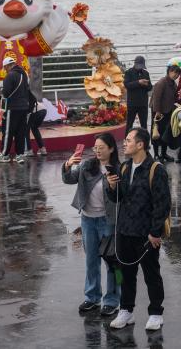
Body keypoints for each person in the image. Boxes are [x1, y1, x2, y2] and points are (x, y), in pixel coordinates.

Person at [106, 128, 171, 332]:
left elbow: (163, 204)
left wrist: (155, 232)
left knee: (151, 274)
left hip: (146, 233)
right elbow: (119, 199)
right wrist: (111, 187)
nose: (124, 144)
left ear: (140, 144)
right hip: (125, 230)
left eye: (128, 140)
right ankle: (126, 310)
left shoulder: (155, 169)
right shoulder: (125, 167)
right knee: (124, 273)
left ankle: (155, 313)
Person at [62, 133, 121, 317]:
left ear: (111, 148)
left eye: (101, 148)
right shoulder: (88, 165)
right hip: (88, 219)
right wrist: (67, 165)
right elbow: (69, 179)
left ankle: (113, 300)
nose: (97, 151)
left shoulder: (119, 169)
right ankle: (92, 297)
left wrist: (114, 186)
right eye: (95, 148)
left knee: (113, 262)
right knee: (91, 260)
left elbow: (123, 195)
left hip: (108, 221)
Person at [0, 56, 37, 163]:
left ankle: (5, 155)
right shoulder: (24, 74)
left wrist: (3, 109)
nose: (5, 70)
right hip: (24, 108)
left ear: (8, 65)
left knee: (8, 132)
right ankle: (19, 155)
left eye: (5, 68)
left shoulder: (10, 75)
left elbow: (6, 94)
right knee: (20, 132)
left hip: (12, 108)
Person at [149, 65, 180, 162]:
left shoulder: (173, 83)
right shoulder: (161, 82)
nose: (176, 75)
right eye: (174, 72)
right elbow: (156, 99)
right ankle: (157, 155)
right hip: (158, 112)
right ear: (169, 72)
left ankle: (164, 153)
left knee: (165, 133)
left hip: (168, 111)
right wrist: (157, 111)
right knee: (156, 132)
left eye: (177, 74)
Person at [124, 56, 152, 131]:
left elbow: (150, 87)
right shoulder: (128, 72)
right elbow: (127, 85)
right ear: (135, 64)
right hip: (132, 103)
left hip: (143, 103)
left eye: (142, 66)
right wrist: (138, 82)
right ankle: (127, 140)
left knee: (144, 124)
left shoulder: (146, 73)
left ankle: (145, 141)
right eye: (139, 66)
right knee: (129, 124)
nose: (140, 68)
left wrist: (146, 85)